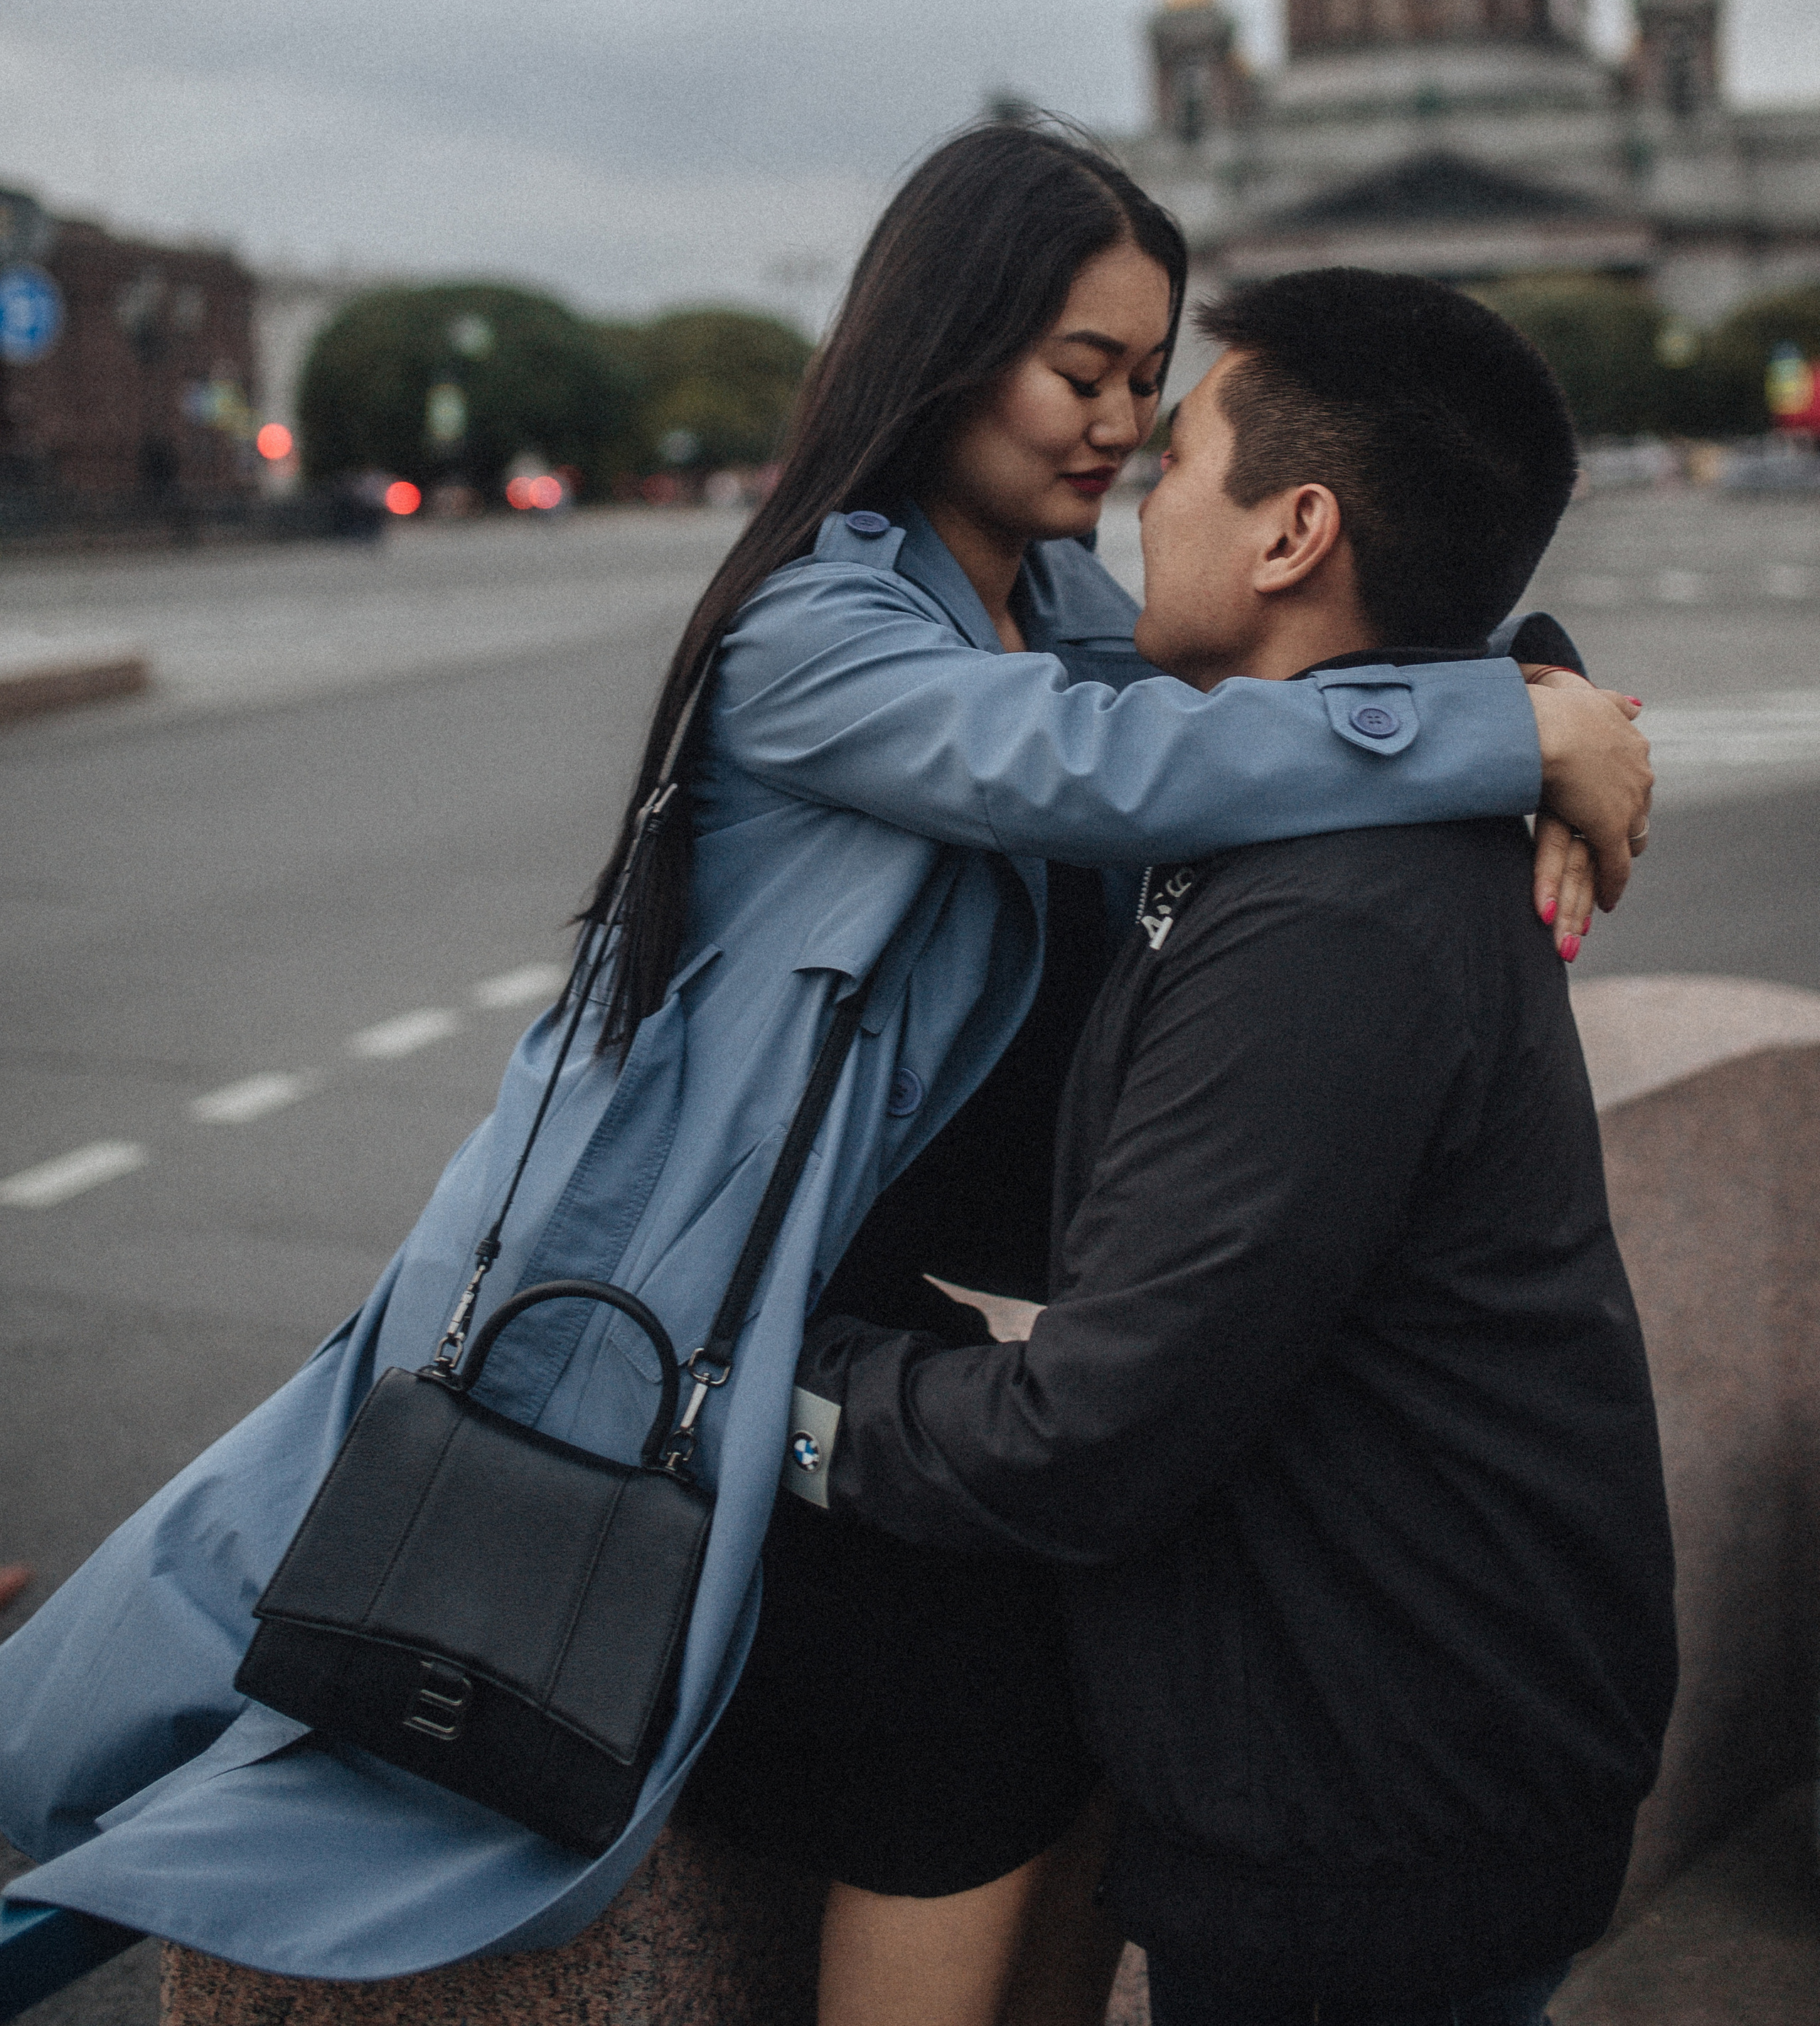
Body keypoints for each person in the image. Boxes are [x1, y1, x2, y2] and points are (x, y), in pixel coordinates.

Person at [0, 134, 1649, 2007]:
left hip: (845, 1306)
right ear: (946, 349)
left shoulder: (1073, 610)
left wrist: (1526, 668)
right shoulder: (821, 629)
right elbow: (1102, 771)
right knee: (277, 1657)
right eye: (1082, 369)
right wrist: (1513, 721)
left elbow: (1307, 647)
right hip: (671, 1300)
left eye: (1146, 379)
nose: (1119, 421)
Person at [793, 268, 1677, 2026]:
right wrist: (1522, 684)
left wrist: (764, 1396)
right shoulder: (1353, 814)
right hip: (1395, 1739)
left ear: (1292, 533)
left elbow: (1083, 1440)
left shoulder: (1329, 924)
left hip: (1369, 1802)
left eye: (1179, 441)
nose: (1136, 475)